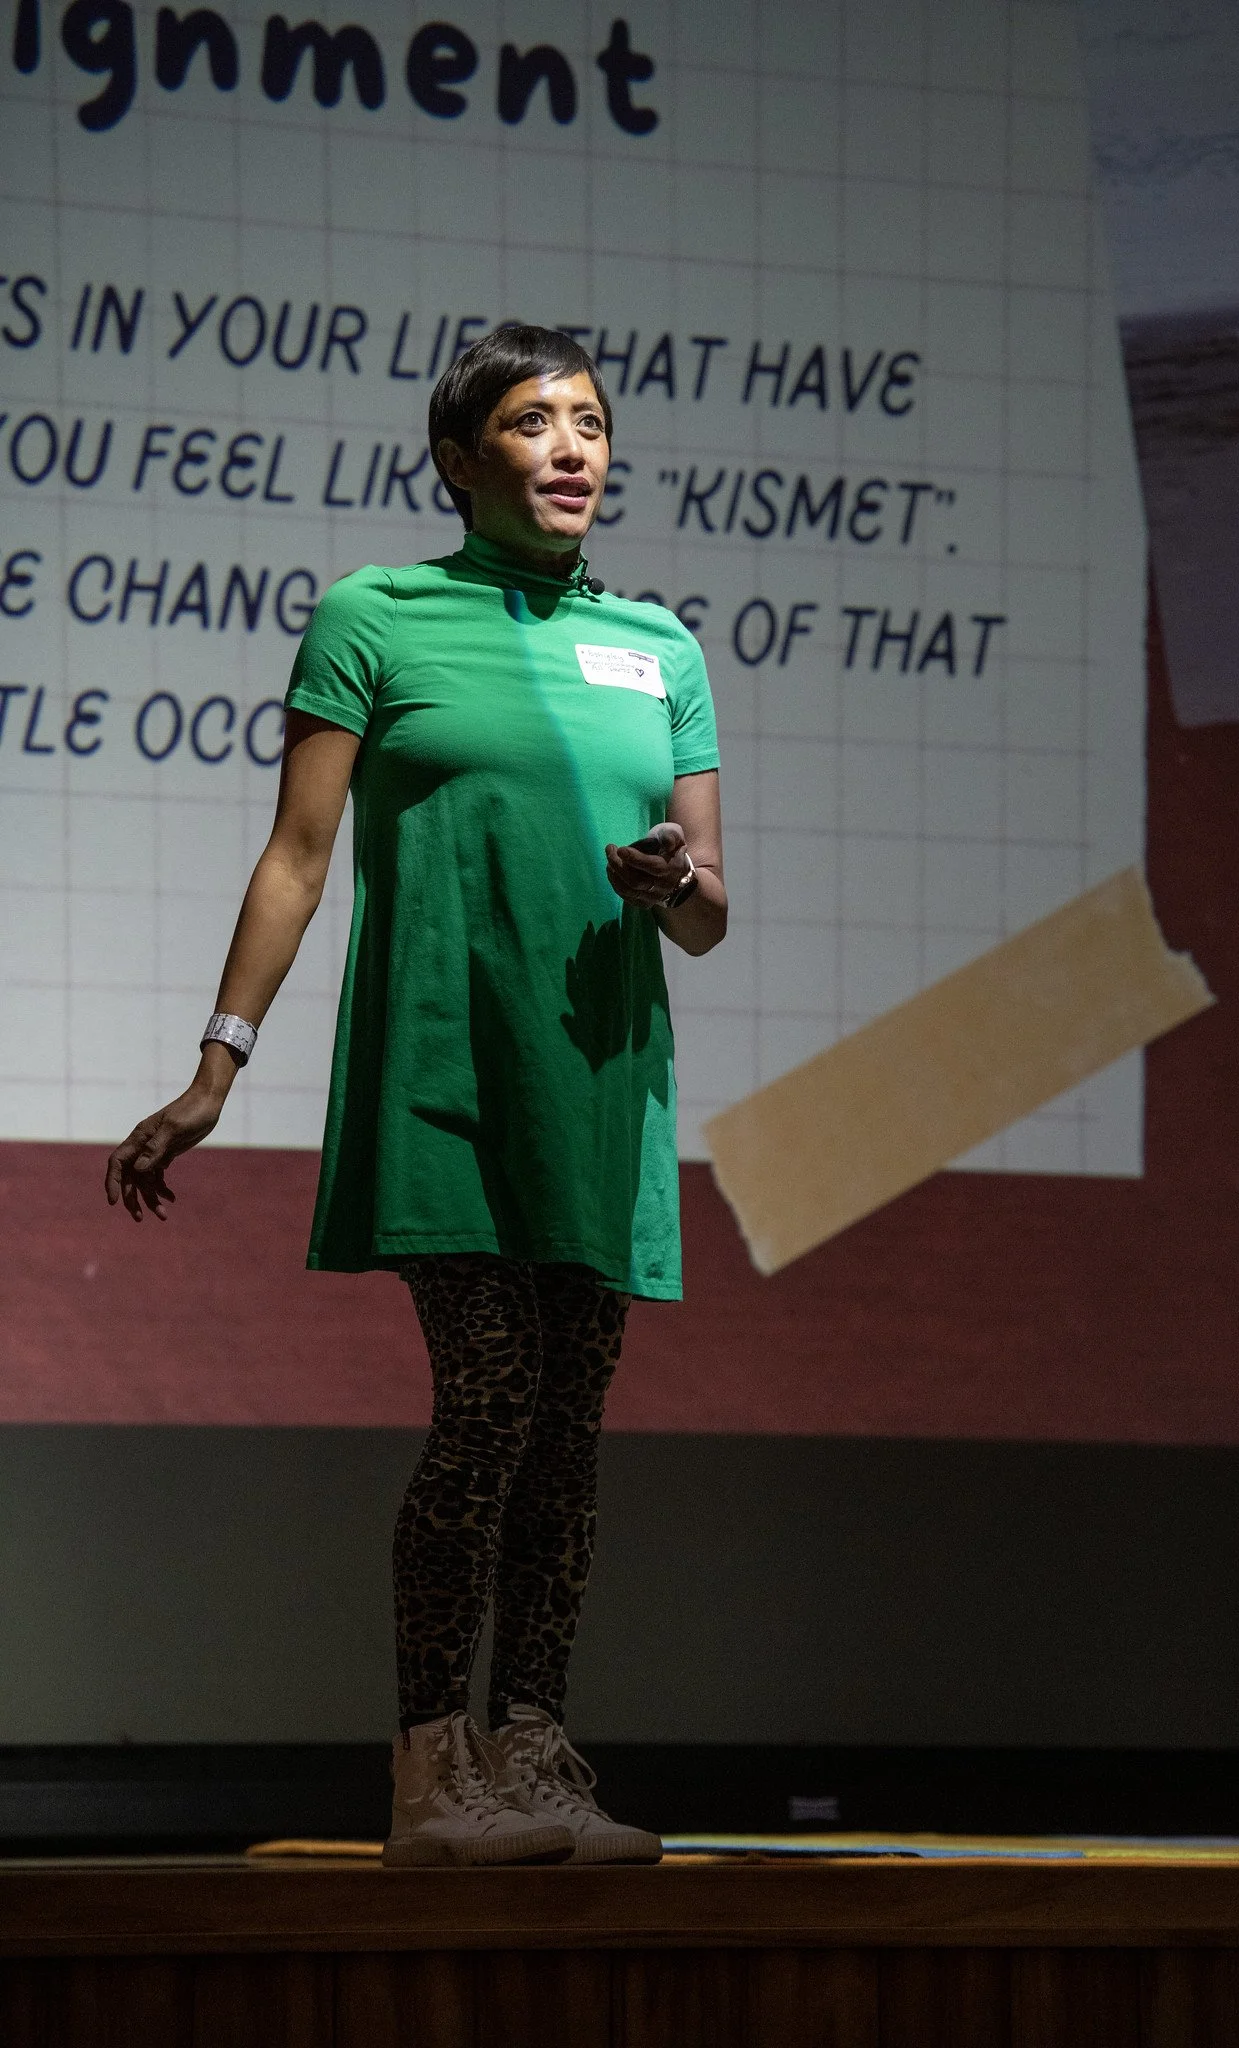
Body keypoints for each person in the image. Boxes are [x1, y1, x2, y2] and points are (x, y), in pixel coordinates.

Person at [104, 325, 727, 1868]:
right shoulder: (374, 615)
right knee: (491, 1402)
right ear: (460, 459)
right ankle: (432, 1766)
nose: (574, 448)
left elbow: (710, 912)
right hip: (444, 1072)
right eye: (535, 421)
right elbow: (298, 855)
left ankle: (536, 1752)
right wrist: (217, 1062)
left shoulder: (659, 648)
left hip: (602, 1083)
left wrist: (676, 883)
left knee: (566, 1431)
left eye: (591, 423)